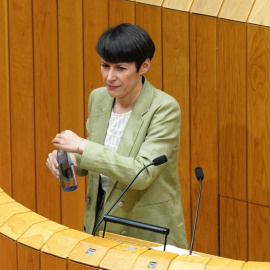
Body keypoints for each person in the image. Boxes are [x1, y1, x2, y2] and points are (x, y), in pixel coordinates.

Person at [46, 23, 187, 248]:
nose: (109, 77)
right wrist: (71, 160)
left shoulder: (164, 108)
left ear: (144, 66)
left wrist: (82, 146)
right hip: (101, 225)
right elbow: (100, 160)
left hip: (145, 232)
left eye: (120, 68)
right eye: (105, 66)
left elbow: (140, 174)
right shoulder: (99, 98)